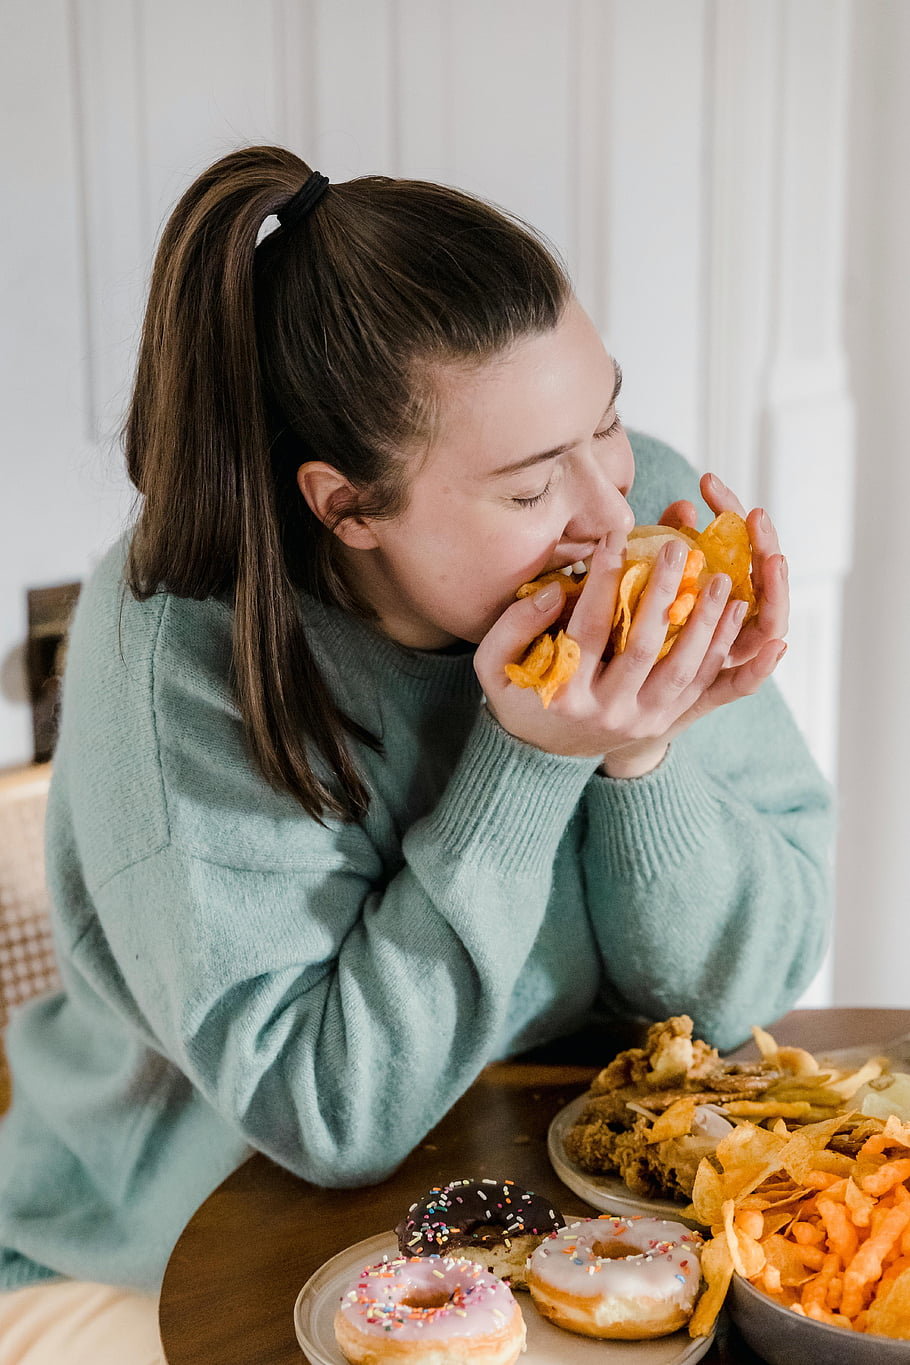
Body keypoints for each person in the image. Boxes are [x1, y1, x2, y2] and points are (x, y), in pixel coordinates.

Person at [0, 145, 833, 1362]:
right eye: (530, 486)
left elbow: (739, 1002)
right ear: (347, 507)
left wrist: (643, 758)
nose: (614, 514)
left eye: (603, 421)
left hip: (538, 1203)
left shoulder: (625, 498)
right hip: (165, 1246)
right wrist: (532, 759)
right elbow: (330, 1116)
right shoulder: (181, 655)